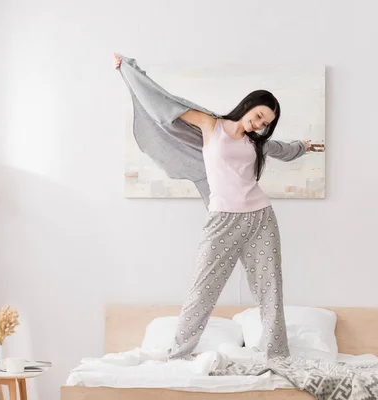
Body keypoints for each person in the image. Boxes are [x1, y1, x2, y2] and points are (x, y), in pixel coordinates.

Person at [114, 54, 311, 361]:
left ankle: (277, 354)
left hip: (261, 219)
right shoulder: (210, 125)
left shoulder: (256, 143)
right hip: (222, 220)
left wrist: (304, 146)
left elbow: (284, 150)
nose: (258, 124)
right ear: (248, 105)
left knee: (270, 290)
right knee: (202, 290)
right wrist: (130, 71)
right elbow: (167, 103)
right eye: (258, 116)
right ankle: (178, 354)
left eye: (265, 123)